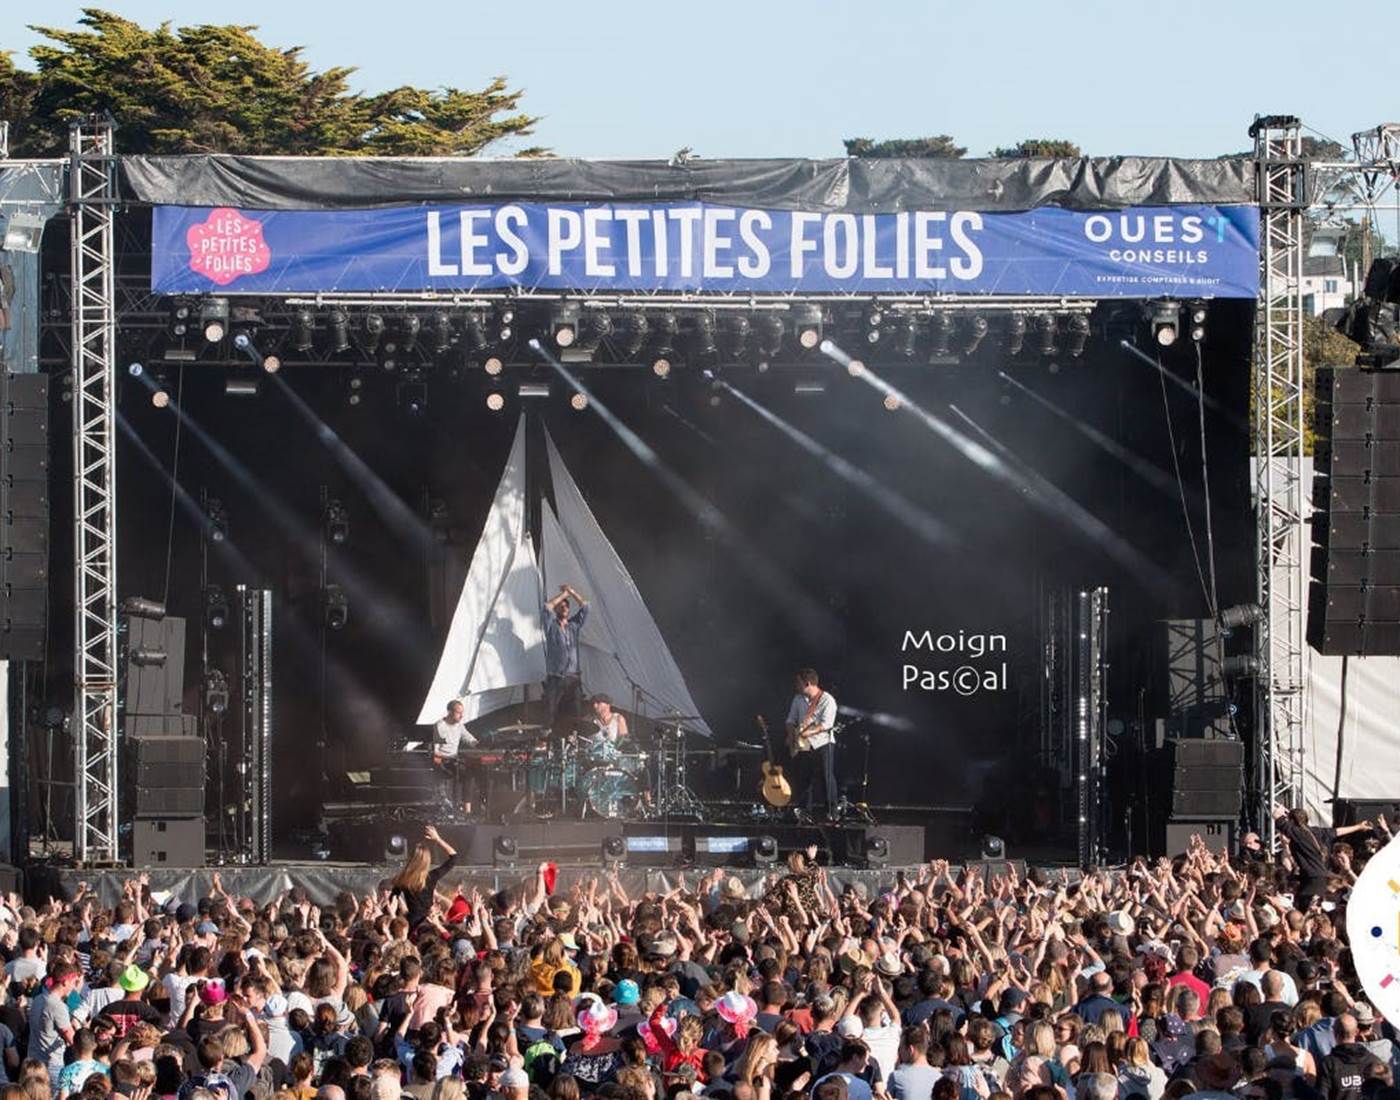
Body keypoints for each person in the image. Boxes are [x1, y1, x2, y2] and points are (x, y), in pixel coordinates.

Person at [785, 668, 838, 820]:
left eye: (798, 683)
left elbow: (826, 725)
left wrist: (808, 732)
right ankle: (803, 811)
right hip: (803, 745)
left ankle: (831, 811)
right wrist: (791, 735)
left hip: (823, 743)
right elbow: (790, 720)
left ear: (807, 683)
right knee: (803, 778)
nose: (796, 685)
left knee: (825, 776)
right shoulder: (797, 699)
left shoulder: (827, 700)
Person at [388, 826, 457, 932]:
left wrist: (399, 914)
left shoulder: (402, 879)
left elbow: (393, 900)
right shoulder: (431, 877)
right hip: (429, 920)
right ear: (427, 861)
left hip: (412, 922)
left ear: (411, 859)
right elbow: (454, 857)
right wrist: (437, 839)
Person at [543, 585, 589, 732]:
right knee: (551, 711)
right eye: (561, 606)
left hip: (573, 677)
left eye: (566, 607)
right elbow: (547, 607)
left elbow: (585, 607)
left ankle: (575, 740)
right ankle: (548, 739)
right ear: (557, 610)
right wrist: (564, 595)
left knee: (576, 711)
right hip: (556, 677)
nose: (564, 608)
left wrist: (572, 592)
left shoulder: (573, 626)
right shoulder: (551, 626)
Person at [1315, 1015, 1382, 1100]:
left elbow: (1322, 1096)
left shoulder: (1328, 1064)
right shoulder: (1373, 1061)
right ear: (1357, 1032)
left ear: (1334, 1033)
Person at [432, 700, 478, 816]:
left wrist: (480, 742)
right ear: (450, 712)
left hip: (454, 760)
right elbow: (436, 750)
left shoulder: (459, 726)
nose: (461, 715)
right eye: (458, 712)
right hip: (443, 760)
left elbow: (469, 738)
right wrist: (439, 757)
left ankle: (467, 810)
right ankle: (453, 809)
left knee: (469, 775)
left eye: (462, 712)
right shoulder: (440, 725)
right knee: (459, 772)